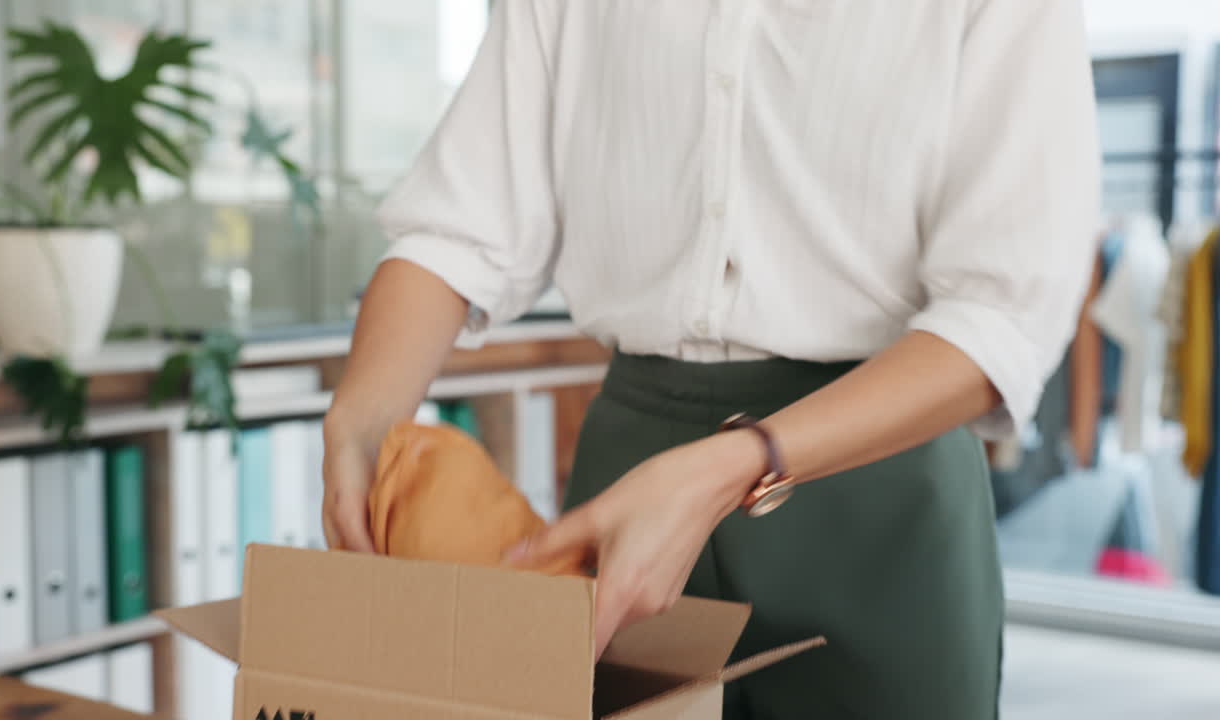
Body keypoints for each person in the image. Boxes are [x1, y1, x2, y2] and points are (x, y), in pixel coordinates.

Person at [322, 1, 1100, 717]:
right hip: (628, 480)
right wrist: (360, 424)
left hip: (878, 486)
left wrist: (726, 470)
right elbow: (455, 229)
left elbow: (1002, 315)